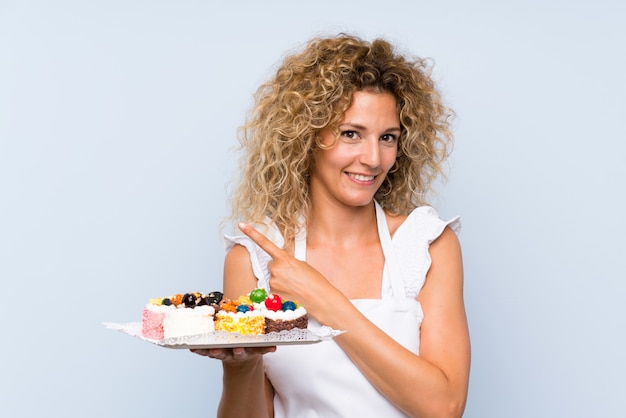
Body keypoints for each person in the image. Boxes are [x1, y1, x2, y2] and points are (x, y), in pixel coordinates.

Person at [192, 33, 470, 418]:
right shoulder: (255, 259)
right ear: (307, 136)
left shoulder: (425, 246)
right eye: (351, 134)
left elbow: (445, 406)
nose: (373, 158)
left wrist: (324, 299)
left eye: (387, 137)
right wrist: (242, 363)